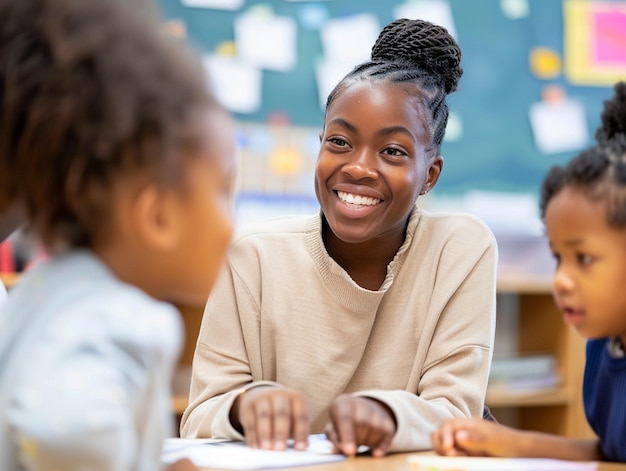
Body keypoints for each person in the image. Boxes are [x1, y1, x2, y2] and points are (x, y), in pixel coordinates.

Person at [180, 18, 498, 458]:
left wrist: (388, 415)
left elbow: (456, 411)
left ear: (430, 175)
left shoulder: (459, 248)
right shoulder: (253, 256)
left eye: (392, 151)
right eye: (339, 142)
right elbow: (201, 416)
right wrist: (242, 405)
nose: (359, 167)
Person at [0, 0, 235, 469]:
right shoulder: (124, 319)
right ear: (158, 217)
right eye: (223, 191)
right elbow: (60, 430)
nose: (232, 222)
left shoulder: (44, 291)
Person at [432, 81, 626, 463]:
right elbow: (611, 454)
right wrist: (510, 444)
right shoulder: (604, 345)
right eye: (558, 258)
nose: (562, 280)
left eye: (584, 259)